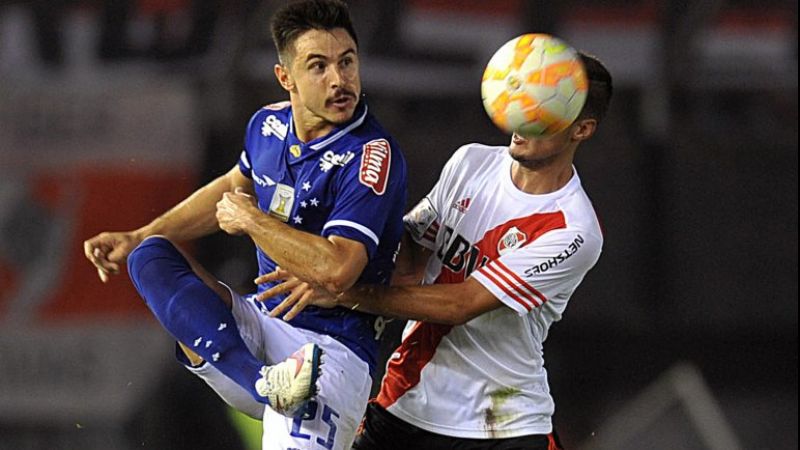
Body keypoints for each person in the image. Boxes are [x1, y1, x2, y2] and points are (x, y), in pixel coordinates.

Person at [83, 1, 407, 449]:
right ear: (285, 78)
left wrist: (253, 221)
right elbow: (232, 186)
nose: (339, 79)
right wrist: (139, 232)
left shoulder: (370, 154)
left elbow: (339, 269)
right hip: (259, 333)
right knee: (151, 255)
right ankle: (262, 383)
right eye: (319, 66)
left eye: (347, 61)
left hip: (332, 351)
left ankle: (272, 385)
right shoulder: (267, 125)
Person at [259, 53, 613, 450]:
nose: (521, 117)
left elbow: (461, 303)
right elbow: (408, 255)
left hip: (501, 426)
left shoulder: (574, 229)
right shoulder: (471, 162)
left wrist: (346, 292)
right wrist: (335, 255)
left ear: (582, 129)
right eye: (524, 98)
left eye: (544, 112)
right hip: (406, 403)